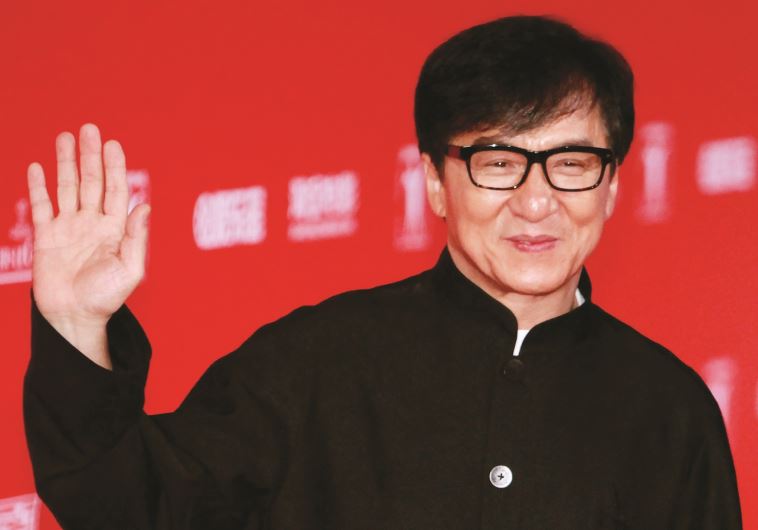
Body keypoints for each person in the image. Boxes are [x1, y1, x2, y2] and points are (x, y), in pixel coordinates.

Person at [24, 15, 741, 530]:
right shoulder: (314, 360)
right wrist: (76, 324)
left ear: (611, 186)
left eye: (572, 164)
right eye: (497, 162)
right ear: (434, 182)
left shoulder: (671, 410)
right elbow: (129, 502)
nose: (536, 201)